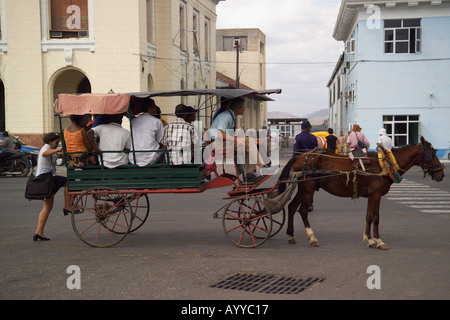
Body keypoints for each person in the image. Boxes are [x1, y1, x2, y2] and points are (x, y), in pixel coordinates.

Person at [208, 97, 267, 182]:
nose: (244, 109)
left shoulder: (231, 116)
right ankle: (263, 166)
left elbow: (229, 136)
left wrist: (252, 140)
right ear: (239, 108)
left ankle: (249, 173)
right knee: (248, 142)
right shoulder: (226, 116)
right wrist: (237, 140)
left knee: (248, 143)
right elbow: (220, 134)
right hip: (216, 144)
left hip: (222, 143)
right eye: (243, 107)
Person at [34, 132, 72, 241]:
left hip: (48, 179)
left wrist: (64, 151)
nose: (57, 144)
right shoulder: (46, 148)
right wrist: (58, 150)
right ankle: (67, 206)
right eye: (56, 142)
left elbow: (59, 155)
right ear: (50, 141)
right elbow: (45, 153)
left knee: (47, 208)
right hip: (45, 179)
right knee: (68, 182)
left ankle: (39, 232)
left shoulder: (52, 149)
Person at [128, 98, 165, 166]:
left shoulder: (133, 121)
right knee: (164, 153)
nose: (156, 110)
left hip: (134, 158)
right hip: (152, 158)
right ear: (150, 108)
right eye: (154, 107)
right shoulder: (157, 121)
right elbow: (162, 141)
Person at [292, 120, 317, 212]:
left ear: (302, 128)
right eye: (310, 127)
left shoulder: (298, 137)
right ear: (308, 128)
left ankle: (304, 204)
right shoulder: (313, 137)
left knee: (302, 186)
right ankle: (310, 204)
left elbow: (295, 153)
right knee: (311, 185)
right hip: (312, 164)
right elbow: (316, 152)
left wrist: (293, 165)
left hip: (301, 164)